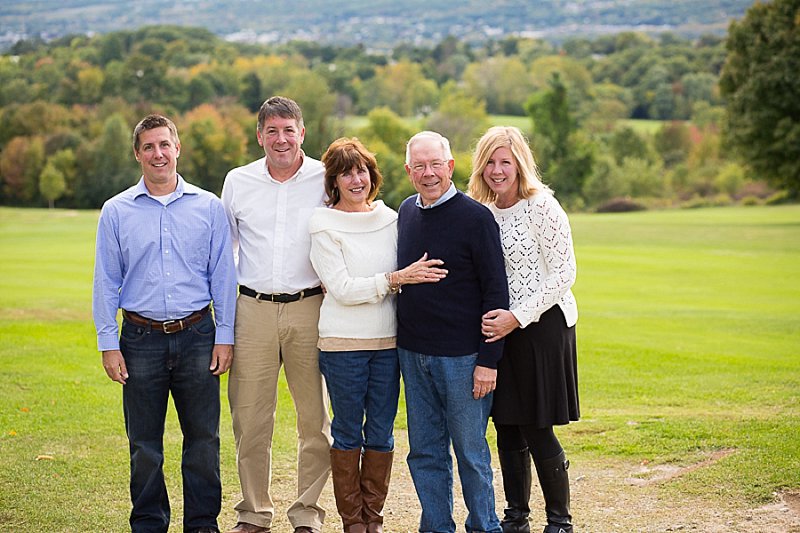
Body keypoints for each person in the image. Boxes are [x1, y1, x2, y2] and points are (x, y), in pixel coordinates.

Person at [92, 114, 237, 533]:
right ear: (138, 154)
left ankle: (202, 525)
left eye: (164, 144)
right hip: (139, 339)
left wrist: (224, 336)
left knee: (204, 443)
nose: (158, 153)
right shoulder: (116, 211)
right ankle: (150, 524)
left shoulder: (208, 206)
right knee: (144, 447)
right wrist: (108, 342)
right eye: (149, 147)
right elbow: (106, 280)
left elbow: (222, 277)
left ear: (178, 148)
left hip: (197, 336)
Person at [308, 137, 448, 533]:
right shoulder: (323, 224)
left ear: (373, 175)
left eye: (362, 171)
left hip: (389, 344)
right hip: (343, 346)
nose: (356, 180)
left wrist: (399, 281)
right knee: (348, 431)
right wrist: (394, 280)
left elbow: (411, 270)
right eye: (346, 173)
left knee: (382, 433)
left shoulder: (392, 218)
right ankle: (353, 522)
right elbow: (342, 289)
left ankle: (374, 520)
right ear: (334, 182)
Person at [221, 96, 332, 533]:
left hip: (311, 309)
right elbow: (224, 250)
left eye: (289, 130)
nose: (281, 139)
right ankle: (253, 512)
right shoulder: (238, 181)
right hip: (252, 310)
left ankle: (307, 513)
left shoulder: (326, 177)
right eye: (272, 131)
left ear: (302, 132)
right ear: (259, 135)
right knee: (249, 418)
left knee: (315, 419)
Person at [396, 131, 509, 533]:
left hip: (462, 359)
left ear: (451, 166)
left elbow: (497, 293)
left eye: (435, 165)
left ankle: (484, 526)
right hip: (412, 354)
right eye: (419, 166)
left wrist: (488, 362)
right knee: (424, 452)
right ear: (409, 170)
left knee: (470, 452)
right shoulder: (406, 211)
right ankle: (437, 526)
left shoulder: (476, 218)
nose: (428, 174)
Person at [468, 126, 579, 533]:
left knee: (535, 423)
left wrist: (519, 315)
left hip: (542, 326)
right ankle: (516, 518)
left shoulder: (542, 206)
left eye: (505, 162)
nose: (498, 170)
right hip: (500, 329)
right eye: (490, 162)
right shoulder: (481, 211)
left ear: (519, 164)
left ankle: (560, 522)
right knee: (507, 423)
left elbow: (564, 272)